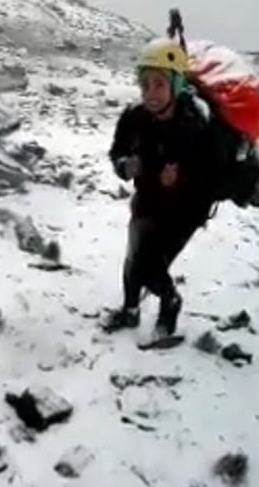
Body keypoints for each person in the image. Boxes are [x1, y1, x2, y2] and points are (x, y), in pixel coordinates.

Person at [105, 36, 223, 341]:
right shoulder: (135, 117)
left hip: (186, 209)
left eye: (159, 84)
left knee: (150, 266)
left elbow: (213, 175)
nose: (150, 93)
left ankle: (170, 304)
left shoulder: (196, 123)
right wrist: (124, 166)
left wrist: (182, 179)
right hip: (148, 199)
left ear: (175, 84)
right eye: (145, 84)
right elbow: (116, 152)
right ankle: (130, 312)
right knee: (134, 257)